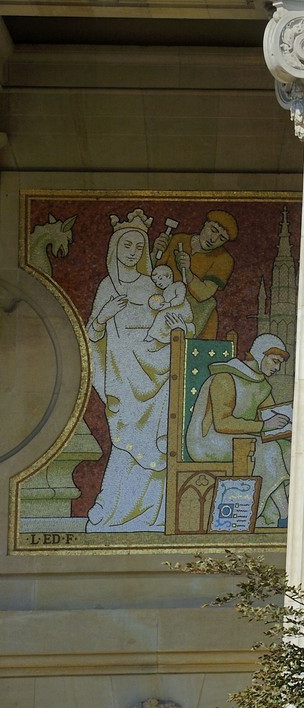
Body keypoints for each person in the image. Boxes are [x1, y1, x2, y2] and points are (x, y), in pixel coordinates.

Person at [84, 209, 172, 533]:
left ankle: (153, 513)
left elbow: (164, 324)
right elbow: (92, 336)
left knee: (155, 446)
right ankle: (111, 508)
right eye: (127, 245)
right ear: (115, 248)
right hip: (123, 378)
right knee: (125, 444)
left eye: (139, 247)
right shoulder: (108, 287)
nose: (133, 252)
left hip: (155, 373)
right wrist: (104, 316)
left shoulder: (152, 285)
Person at [185, 334, 292, 528]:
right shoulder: (225, 377)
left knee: (287, 449)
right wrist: (263, 427)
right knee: (267, 450)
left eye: (280, 363)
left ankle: (274, 514)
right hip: (208, 440)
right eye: (275, 361)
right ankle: (283, 515)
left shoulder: (262, 386)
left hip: (242, 438)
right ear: (260, 355)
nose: (277, 368)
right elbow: (222, 423)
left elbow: (270, 420)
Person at [155, 209, 237, 339]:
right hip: (164, 307)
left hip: (196, 318)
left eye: (221, 238)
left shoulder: (224, 260)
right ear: (205, 224)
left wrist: (187, 272)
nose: (213, 239)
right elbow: (153, 273)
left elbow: (203, 294)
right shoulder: (178, 239)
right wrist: (156, 251)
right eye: (213, 230)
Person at [142, 264, 195, 343]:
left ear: (169, 276)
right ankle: (161, 336)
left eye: (160, 279)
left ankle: (151, 334)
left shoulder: (179, 285)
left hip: (183, 311)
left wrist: (169, 304)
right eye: (155, 281)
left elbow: (180, 299)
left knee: (161, 315)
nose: (158, 283)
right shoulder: (165, 292)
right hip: (173, 312)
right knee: (164, 320)